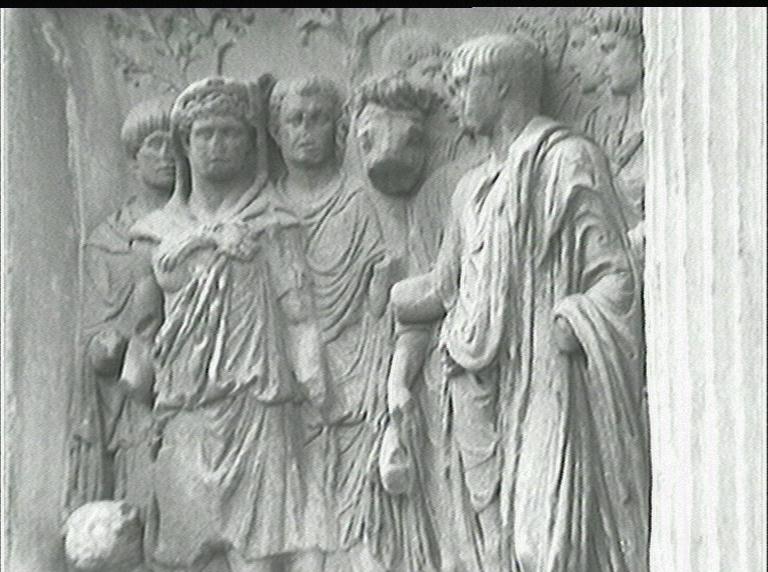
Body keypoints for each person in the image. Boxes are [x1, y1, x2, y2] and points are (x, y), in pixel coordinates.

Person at [391, 34, 649, 571]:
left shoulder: (566, 161)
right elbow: (444, 286)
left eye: (464, 85)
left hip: (543, 376)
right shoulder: (469, 189)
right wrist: (390, 299)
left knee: (541, 540)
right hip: (470, 382)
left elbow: (616, 275)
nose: (455, 99)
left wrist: (574, 321)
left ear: (502, 85)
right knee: (490, 551)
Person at [129, 77, 322, 572]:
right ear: (186, 143)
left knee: (261, 555)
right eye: (205, 134)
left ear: (251, 142)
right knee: (181, 556)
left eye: (231, 133)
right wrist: (140, 402)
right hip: (184, 408)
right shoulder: (155, 234)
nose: (217, 144)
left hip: (258, 406)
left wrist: (316, 384)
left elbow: (299, 312)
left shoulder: (275, 222)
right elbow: (145, 329)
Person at [269, 75, 439, 572]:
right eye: (295, 121)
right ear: (276, 131)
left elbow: (396, 283)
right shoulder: (267, 209)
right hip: (289, 374)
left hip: (359, 364)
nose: (306, 131)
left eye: (318, 119)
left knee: (359, 501)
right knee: (300, 501)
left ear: (339, 128)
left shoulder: (361, 200)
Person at [66, 96, 175, 515]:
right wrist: (106, 347)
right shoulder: (108, 241)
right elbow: (93, 339)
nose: (166, 155)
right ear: (133, 159)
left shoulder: (201, 222)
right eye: (155, 144)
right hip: (135, 403)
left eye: (174, 145)